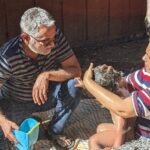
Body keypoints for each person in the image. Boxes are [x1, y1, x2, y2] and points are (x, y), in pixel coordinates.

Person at [0, 7, 81, 149]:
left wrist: (47, 75)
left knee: (74, 85)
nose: (53, 44)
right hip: (15, 102)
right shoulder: (7, 57)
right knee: (13, 139)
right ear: (26, 38)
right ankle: (29, 119)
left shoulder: (54, 36)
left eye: (54, 37)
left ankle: (54, 130)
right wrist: (2, 121)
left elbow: (75, 70)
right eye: (45, 41)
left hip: (45, 96)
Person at [76, 42, 150, 149]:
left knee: (94, 141)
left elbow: (122, 112)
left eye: (149, 56)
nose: (143, 58)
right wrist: (89, 86)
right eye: (145, 53)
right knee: (101, 128)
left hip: (145, 141)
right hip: (137, 131)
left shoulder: (120, 100)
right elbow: (124, 82)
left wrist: (89, 83)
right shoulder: (143, 74)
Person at [76, 65, 133, 150]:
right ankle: (108, 144)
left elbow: (121, 129)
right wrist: (85, 86)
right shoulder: (117, 93)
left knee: (93, 140)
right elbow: (101, 95)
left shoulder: (118, 104)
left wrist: (116, 147)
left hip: (126, 134)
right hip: (127, 130)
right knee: (101, 128)